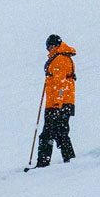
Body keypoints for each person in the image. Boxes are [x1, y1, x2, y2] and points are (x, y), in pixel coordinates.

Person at [36, 35, 77, 167]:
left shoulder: (60, 59)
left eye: (49, 47)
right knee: (61, 133)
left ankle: (43, 163)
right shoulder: (62, 57)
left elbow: (60, 84)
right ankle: (70, 159)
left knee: (47, 135)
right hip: (64, 103)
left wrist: (56, 105)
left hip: (57, 104)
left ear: (54, 45)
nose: (48, 50)